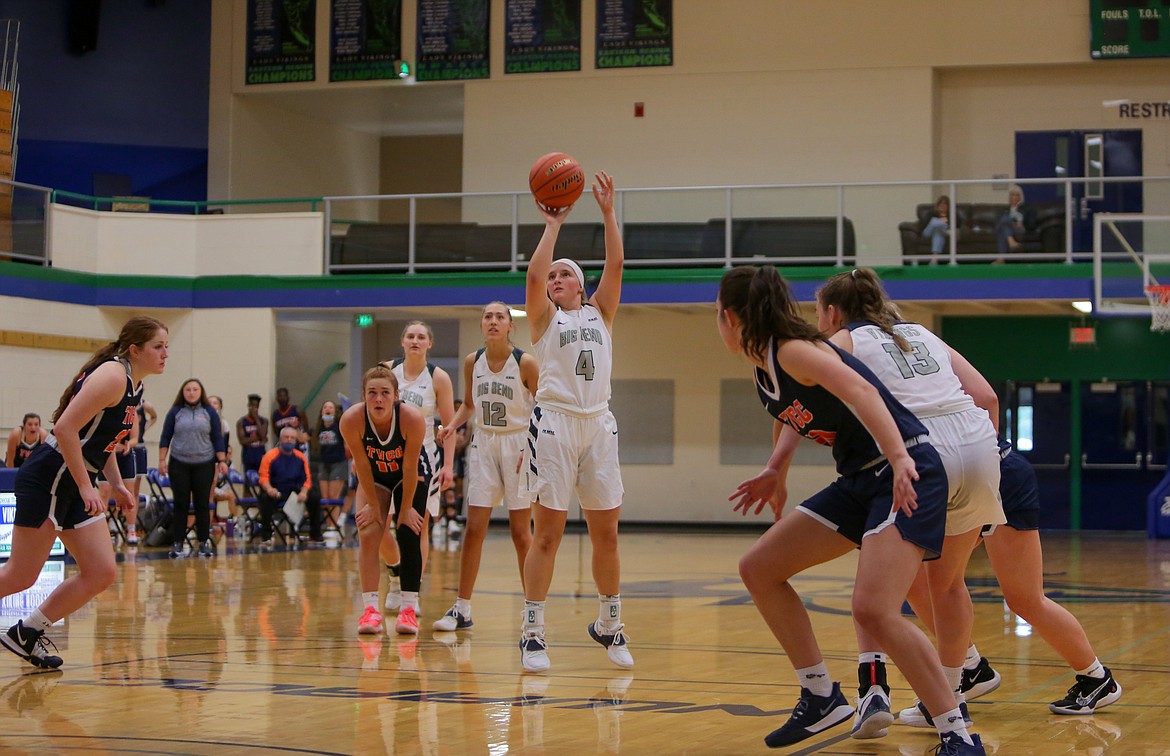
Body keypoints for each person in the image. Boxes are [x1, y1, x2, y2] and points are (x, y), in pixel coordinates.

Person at [717, 266, 983, 755]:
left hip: (903, 469)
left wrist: (902, 456)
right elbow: (800, 415)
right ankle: (821, 696)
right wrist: (776, 471)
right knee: (759, 568)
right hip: (862, 478)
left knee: (874, 610)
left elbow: (862, 392)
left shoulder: (793, 349)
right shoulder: (770, 363)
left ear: (730, 316)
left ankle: (958, 734)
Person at [815, 268, 1005, 739]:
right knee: (948, 584)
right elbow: (987, 396)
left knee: (873, 568)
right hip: (979, 445)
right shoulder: (922, 332)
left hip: (920, 451)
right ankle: (951, 691)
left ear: (833, 311)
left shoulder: (841, 341)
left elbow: (807, 398)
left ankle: (873, 686)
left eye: (819, 312)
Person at [905, 442, 1123, 718]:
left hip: (990, 476)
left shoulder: (938, 400)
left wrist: (989, 462)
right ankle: (970, 668)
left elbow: (987, 398)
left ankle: (1097, 678)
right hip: (961, 480)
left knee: (1024, 598)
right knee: (919, 581)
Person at [0, 315, 167, 670]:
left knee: (102, 571)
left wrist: (118, 484)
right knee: (20, 575)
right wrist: (85, 484)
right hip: (50, 477)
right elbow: (64, 429)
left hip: (74, 481)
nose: (165, 354)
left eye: (167, 347)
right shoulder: (112, 375)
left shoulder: (134, 385)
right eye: (158, 346)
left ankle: (26, 633)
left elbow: (100, 441)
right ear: (135, 350)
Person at [518, 170, 634, 674]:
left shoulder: (600, 313)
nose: (557, 279)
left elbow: (618, 261)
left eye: (567, 274)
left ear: (581, 286)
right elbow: (532, 278)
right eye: (554, 276)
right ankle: (533, 631)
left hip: (599, 425)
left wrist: (608, 212)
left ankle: (610, 623)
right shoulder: (546, 320)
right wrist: (553, 225)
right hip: (556, 425)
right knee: (548, 535)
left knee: (606, 533)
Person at [433, 301, 539, 632]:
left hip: (519, 444)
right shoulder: (472, 362)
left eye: (500, 317)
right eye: (488, 317)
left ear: (511, 325)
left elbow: (542, 409)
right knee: (474, 529)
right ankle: (462, 608)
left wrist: (533, 448)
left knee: (521, 534)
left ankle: (532, 610)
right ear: (481, 325)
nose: (493, 321)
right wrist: (452, 425)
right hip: (484, 443)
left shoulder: (525, 362)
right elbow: (468, 404)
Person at [339, 365, 429, 636]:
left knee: (409, 530)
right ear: (364, 395)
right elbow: (362, 466)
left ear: (396, 395)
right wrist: (374, 507)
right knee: (368, 532)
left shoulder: (411, 418)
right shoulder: (351, 420)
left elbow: (411, 468)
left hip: (409, 475)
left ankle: (409, 608)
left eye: (385, 393)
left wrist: (404, 510)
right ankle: (370, 610)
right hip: (374, 475)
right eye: (372, 393)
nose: (378, 399)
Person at [379, 321, 456, 613]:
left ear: (429, 344)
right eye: (410, 336)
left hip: (424, 459)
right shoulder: (387, 370)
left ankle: (412, 592)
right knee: (380, 526)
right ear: (402, 342)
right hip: (387, 457)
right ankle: (396, 572)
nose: (415, 340)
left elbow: (448, 425)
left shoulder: (438, 377)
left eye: (421, 336)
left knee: (416, 528)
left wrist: (448, 465)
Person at [158, 378, 228, 558]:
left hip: (204, 463)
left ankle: (204, 542)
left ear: (201, 392)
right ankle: (178, 543)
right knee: (180, 504)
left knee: (202, 504)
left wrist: (222, 461)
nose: (191, 392)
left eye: (195, 389)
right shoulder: (176, 412)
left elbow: (217, 438)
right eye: (188, 389)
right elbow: (166, 436)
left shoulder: (209, 412)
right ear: (183, 392)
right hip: (179, 463)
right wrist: (161, 460)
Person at [256, 426, 323, 546]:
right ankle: (266, 536)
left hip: (294, 491)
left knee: (314, 496)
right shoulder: (270, 456)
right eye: (286, 437)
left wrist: (304, 492)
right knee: (264, 497)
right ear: (280, 439)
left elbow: (307, 479)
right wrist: (270, 489)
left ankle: (315, 535)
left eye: (292, 438)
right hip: (276, 490)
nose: (289, 440)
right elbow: (263, 478)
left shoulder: (300, 457)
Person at [126, 399, 157, 545]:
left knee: (134, 491)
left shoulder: (145, 404)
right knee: (111, 488)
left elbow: (154, 416)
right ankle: (112, 525)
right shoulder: (121, 398)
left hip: (137, 447)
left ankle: (131, 528)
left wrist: (143, 428)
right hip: (120, 448)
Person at [207, 396, 239, 531]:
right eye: (210, 402)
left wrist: (221, 460)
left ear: (220, 407)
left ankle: (210, 527)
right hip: (200, 460)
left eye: (216, 403)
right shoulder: (200, 420)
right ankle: (193, 526)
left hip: (214, 462)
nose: (213, 405)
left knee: (211, 495)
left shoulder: (223, 424)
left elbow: (223, 446)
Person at [313, 400, 347, 502]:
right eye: (325, 407)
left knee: (333, 497)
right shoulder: (319, 428)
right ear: (322, 411)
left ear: (335, 412)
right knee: (325, 498)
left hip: (338, 463)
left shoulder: (340, 427)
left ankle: (335, 518)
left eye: (331, 407)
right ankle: (326, 518)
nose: (328, 409)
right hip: (323, 463)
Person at [994, 185, 1035, 262]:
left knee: (1003, 227)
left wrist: (1023, 224)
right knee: (1005, 219)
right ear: (1009, 197)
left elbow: (1032, 224)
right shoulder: (1003, 209)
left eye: (1017, 195)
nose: (1015, 197)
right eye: (1012, 195)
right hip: (1005, 226)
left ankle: (1001, 259)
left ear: (1021, 197)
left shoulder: (1027, 209)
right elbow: (997, 222)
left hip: (1018, 229)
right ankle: (1011, 242)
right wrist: (1009, 222)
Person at [237, 394, 269, 474]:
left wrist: (256, 419)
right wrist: (259, 438)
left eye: (256, 406)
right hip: (248, 455)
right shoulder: (241, 422)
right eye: (252, 406)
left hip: (260, 454)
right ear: (248, 406)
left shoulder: (264, 421)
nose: (254, 409)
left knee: (262, 479)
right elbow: (242, 441)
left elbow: (263, 438)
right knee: (247, 480)